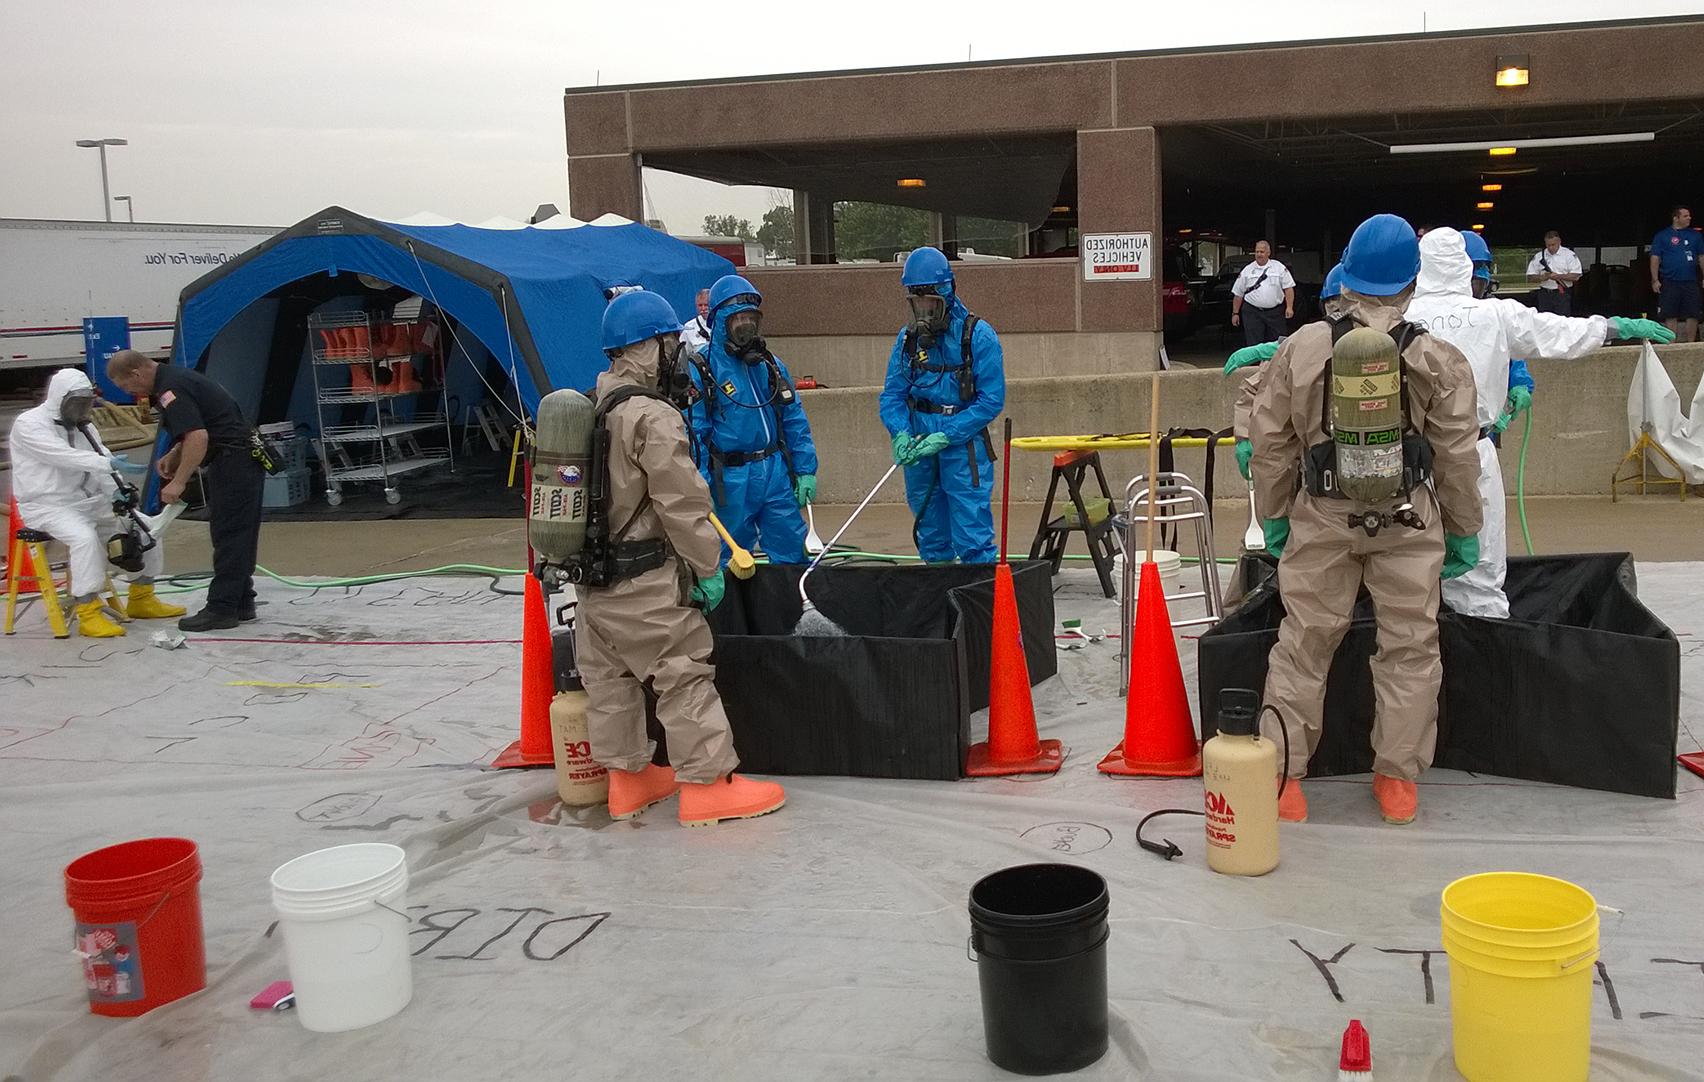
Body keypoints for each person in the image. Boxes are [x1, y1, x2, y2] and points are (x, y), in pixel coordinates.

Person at [1249, 213, 1483, 827]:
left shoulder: (1302, 347)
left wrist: (1274, 516)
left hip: (1322, 516)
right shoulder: (1436, 356)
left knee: (1304, 644)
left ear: (1346, 276)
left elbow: (1270, 441)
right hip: (1409, 521)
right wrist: (1463, 526)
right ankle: (1396, 780)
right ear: (1413, 281)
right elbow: (1457, 452)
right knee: (1409, 645)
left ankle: (1283, 780)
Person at [579, 290, 785, 827]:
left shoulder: (585, 406)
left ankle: (626, 782)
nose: (678, 353)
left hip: (590, 586)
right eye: (671, 342)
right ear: (649, 346)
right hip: (644, 580)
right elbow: (684, 505)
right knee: (682, 672)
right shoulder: (652, 418)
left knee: (611, 682)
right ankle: (708, 786)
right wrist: (708, 567)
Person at [1408, 227, 1674, 619]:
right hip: (1472, 452)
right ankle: (1487, 658)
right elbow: (1561, 333)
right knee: (1480, 567)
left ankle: (1414, 658)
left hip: (1408, 459)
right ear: (1467, 269)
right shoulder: (1496, 314)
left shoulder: (1399, 318)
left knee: (1407, 568)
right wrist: (1617, 327)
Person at [7, 369, 186, 637]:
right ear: (59, 398)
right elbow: (62, 456)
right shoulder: (29, 424)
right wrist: (106, 463)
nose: (82, 409)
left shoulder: (85, 426)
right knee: (84, 539)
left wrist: (119, 490)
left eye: (86, 403)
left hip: (89, 502)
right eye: (76, 403)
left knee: (146, 527)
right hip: (47, 506)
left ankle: (142, 597)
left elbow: (102, 460)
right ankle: (88, 610)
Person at [105, 350, 265, 632]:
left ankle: (221, 608)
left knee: (230, 534)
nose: (129, 392)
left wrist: (178, 481)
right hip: (237, 457)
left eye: (125, 386)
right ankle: (242, 600)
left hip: (234, 459)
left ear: (136, 373)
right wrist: (176, 452)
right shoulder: (177, 377)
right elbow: (204, 424)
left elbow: (198, 436)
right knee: (236, 531)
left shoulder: (170, 388)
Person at [879, 246, 1005, 564]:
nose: (924, 312)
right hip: (919, 444)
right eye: (917, 303)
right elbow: (893, 395)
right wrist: (900, 433)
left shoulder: (978, 337)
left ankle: (979, 605)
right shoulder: (906, 340)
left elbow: (991, 400)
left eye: (930, 303)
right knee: (931, 533)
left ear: (946, 295)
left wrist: (948, 434)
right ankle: (938, 604)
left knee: (972, 536)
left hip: (963, 448)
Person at [686, 275, 818, 565]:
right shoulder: (703, 370)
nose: (746, 327)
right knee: (729, 557)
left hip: (774, 473)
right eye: (738, 320)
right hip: (729, 480)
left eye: (750, 319)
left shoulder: (770, 365)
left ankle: (792, 608)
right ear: (721, 323)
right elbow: (695, 435)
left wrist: (805, 468)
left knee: (792, 550)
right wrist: (701, 487)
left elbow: (793, 418)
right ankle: (733, 610)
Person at [1226, 264, 1346, 479]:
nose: (1340, 314)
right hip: (1318, 469)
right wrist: (1244, 436)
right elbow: (1256, 393)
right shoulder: (1303, 347)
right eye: (1334, 305)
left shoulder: (1393, 348)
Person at [1650, 205, 1702, 343]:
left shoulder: (1695, 236)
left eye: (1689, 215)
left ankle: (1690, 344)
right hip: (1670, 281)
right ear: (1676, 218)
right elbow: (1655, 258)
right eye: (1686, 216)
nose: (1689, 218)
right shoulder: (1662, 236)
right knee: (1670, 313)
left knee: (1693, 313)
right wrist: (1655, 280)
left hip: (1690, 281)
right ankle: (1672, 345)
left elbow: (1702, 257)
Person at [1230, 240, 1296, 347]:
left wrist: (1289, 307)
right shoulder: (1247, 270)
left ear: (1268, 253)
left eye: (1262, 252)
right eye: (1257, 252)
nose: (1259, 254)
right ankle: (1255, 364)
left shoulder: (1279, 267)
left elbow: (1288, 288)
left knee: (1278, 343)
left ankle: (1275, 364)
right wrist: (1235, 313)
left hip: (1275, 312)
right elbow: (1238, 294)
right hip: (1253, 312)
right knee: (1253, 344)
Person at [1526, 231, 1582, 316]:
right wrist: (1543, 277)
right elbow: (1530, 277)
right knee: (1544, 321)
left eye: (1553, 245)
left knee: (1562, 322)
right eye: (1548, 245)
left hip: (1562, 294)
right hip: (1544, 294)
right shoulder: (1539, 256)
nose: (1551, 247)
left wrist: (1558, 276)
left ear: (1559, 242)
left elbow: (1576, 276)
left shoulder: (1569, 255)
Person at [679, 288, 712, 353]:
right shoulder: (689, 328)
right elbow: (682, 355)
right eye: (700, 305)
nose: (703, 308)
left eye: (706, 305)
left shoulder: (722, 323)